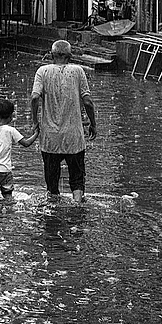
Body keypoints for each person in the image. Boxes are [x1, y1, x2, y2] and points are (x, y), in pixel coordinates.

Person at [31, 40, 98, 203]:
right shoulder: (78, 71)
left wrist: (35, 122)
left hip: (50, 138)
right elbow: (88, 102)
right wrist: (93, 124)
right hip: (74, 137)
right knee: (77, 178)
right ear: (70, 56)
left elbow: (34, 98)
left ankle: (53, 209)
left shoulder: (42, 71)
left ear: (51, 55)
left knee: (52, 182)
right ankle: (77, 206)